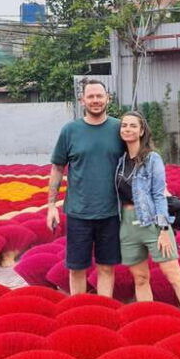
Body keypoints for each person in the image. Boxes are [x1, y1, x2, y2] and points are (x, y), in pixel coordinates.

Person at [47, 79, 125, 297]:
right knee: (77, 268)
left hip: (110, 212)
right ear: (82, 101)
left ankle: (103, 311)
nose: (96, 100)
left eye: (99, 96)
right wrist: (51, 205)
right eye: (90, 97)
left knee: (107, 268)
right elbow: (57, 168)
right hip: (78, 213)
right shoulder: (70, 130)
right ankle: (79, 311)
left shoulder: (119, 129)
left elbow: (139, 161)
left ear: (108, 98)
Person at [116, 111, 180, 317]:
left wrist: (163, 229)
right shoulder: (119, 160)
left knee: (174, 275)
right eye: (124, 125)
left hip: (152, 222)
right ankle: (149, 322)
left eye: (133, 125)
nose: (127, 129)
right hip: (126, 225)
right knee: (141, 278)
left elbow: (159, 195)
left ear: (142, 130)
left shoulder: (152, 158)